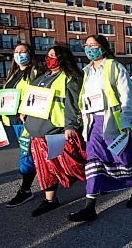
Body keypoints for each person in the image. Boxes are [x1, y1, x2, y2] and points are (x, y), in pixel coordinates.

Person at [68, 35, 132, 222]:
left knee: (123, 157)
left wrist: (126, 122)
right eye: (86, 45)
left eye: (92, 45)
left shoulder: (114, 67)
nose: (88, 49)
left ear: (102, 47)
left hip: (112, 121)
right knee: (93, 161)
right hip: (93, 122)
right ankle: (89, 207)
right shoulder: (86, 71)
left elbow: (127, 97)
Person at [23, 45, 86, 217]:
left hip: (57, 132)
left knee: (72, 166)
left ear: (62, 58)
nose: (49, 58)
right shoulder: (42, 77)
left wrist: (71, 126)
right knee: (45, 170)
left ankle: (100, 180)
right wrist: (24, 112)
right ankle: (50, 200)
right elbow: (31, 99)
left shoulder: (71, 77)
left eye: (53, 55)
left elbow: (73, 104)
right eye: (48, 55)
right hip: (37, 133)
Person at [0, 43, 37, 207]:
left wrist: (27, 110)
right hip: (13, 121)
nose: (19, 54)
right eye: (16, 52)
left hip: (27, 121)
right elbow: (5, 98)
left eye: (23, 51)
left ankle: (25, 190)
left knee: (26, 155)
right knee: (29, 153)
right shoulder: (13, 73)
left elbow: (39, 95)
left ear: (30, 53)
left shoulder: (34, 72)